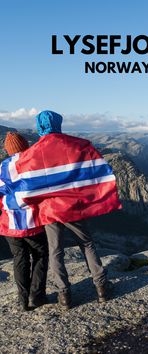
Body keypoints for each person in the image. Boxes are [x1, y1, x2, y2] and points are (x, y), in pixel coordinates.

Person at [0, 111, 122, 309]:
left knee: (55, 250)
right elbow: (91, 161)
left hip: (49, 211)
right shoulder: (76, 144)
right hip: (73, 207)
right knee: (87, 244)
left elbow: (19, 176)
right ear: (58, 124)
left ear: (40, 126)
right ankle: (101, 288)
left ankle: (64, 296)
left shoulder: (31, 153)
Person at [0, 132, 48, 311]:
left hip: (9, 224)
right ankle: (37, 296)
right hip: (33, 222)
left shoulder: (2, 167)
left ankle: (23, 299)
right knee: (40, 256)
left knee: (20, 259)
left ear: (8, 150)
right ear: (26, 145)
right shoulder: (35, 164)